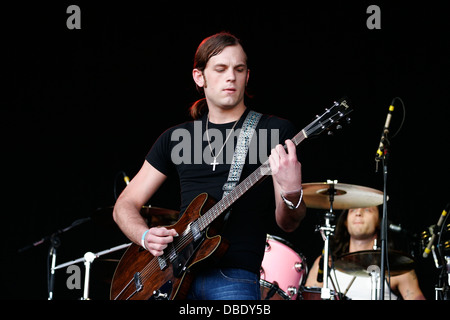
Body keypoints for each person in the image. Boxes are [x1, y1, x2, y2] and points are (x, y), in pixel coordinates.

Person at [113, 32, 306, 300]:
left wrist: (292, 192)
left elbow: (288, 224)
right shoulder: (176, 138)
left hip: (234, 277)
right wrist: (145, 236)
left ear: (247, 76)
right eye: (220, 69)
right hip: (171, 277)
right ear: (199, 77)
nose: (231, 77)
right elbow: (125, 204)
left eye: (239, 69)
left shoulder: (273, 131)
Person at [304, 206, 426, 300]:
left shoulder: (396, 267)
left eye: (367, 210)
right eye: (353, 210)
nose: (358, 213)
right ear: (345, 221)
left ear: (379, 221)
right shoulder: (325, 262)